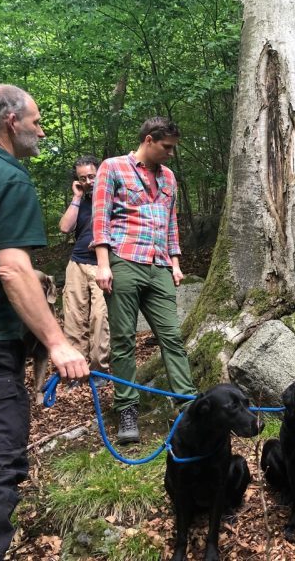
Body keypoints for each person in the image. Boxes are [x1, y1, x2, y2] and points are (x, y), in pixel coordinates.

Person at [0, 84, 89, 560]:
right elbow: (13, 269)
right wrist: (57, 343)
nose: (42, 131)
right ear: (10, 121)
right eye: (38, 121)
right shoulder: (5, 176)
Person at [93, 117, 197, 445]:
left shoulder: (169, 177)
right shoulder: (112, 168)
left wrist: (176, 263)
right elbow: (100, 218)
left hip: (160, 266)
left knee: (172, 337)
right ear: (149, 140)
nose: (170, 153)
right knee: (123, 340)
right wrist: (103, 265)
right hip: (123, 261)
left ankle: (188, 405)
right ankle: (126, 408)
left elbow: (171, 224)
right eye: (166, 147)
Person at [58, 155, 110, 387]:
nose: (89, 181)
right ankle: (76, 372)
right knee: (74, 318)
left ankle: (99, 371)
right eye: (83, 178)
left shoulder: (112, 196)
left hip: (102, 264)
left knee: (100, 317)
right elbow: (65, 227)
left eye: (92, 175)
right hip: (77, 263)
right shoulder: (80, 200)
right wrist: (77, 197)